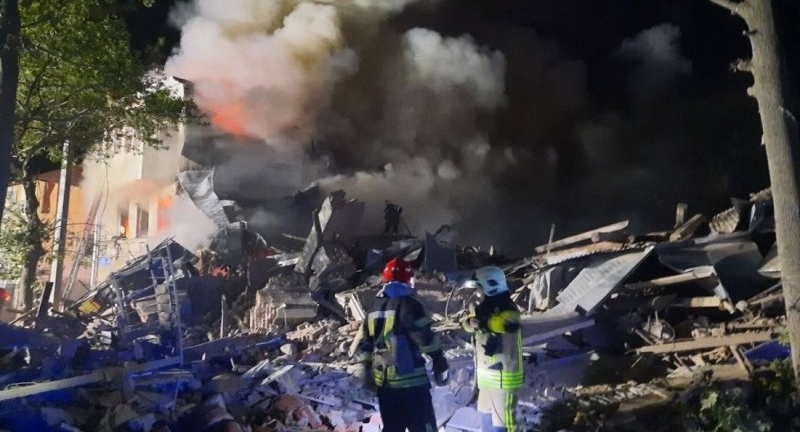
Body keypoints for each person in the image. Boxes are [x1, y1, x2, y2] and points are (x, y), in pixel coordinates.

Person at [356, 257, 449, 432]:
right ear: (408, 279)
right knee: (424, 428)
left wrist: (367, 373)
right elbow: (424, 338)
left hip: (385, 385)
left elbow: (366, 345)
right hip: (411, 383)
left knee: (393, 428)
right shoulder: (409, 304)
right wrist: (439, 359)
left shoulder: (374, 307)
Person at [461, 266, 523, 432]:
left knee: (504, 425)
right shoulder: (483, 309)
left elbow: (507, 324)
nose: (478, 293)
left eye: (479, 288)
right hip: (488, 378)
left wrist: (483, 323)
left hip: (504, 379)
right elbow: (469, 324)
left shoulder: (508, 309)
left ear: (490, 286)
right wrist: (469, 323)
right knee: (486, 420)